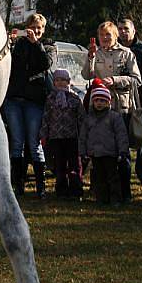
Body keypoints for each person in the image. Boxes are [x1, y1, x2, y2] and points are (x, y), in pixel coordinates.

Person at [82, 20, 141, 200]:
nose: (104, 38)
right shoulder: (95, 53)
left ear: (115, 35)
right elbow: (86, 75)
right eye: (101, 35)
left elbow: (136, 80)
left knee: (121, 151)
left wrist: (115, 80)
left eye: (108, 34)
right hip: (99, 109)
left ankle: (125, 193)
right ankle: (102, 193)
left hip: (120, 107)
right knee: (100, 151)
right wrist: (89, 58)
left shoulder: (127, 54)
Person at [4, 13, 54, 198]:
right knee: (17, 143)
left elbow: (46, 64)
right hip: (15, 99)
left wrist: (36, 44)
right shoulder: (19, 45)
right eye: (33, 27)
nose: (36, 31)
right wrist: (9, 44)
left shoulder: (47, 46)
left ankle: (41, 187)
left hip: (34, 101)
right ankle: (19, 185)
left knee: (34, 143)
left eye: (39, 28)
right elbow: (8, 65)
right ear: (27, 28)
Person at [79, 85, 130, 205]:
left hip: (111, 153)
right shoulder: (88, 119)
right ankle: (101, 199)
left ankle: (115, 199)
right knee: (99, 178)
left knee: (113, 178)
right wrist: (82, 152)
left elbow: (121, 135)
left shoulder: (114, 117)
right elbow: (83, 137)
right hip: (95, 154)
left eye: (102, 100)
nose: (99, 103)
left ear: (108, 102)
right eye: (96, 100)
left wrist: (122, 151)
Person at [117, 17, 142, 184]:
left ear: (133, 30)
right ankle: (120, 171)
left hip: (140, 100)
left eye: (126, 28)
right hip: (120, 101)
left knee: (141, 138)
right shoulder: (114, 48)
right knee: (121, 137)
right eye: (120, 29)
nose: (123, 32)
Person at [39, 68, 85, 199]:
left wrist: (83, 137)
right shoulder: (50, 99)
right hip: (55, 138)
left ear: (69, 82)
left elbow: (82, 119)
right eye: (57, 80)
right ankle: (61, 191)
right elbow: (46, 118)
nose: (60, 83)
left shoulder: (75, 98)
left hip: (72, 137)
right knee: (59, 166)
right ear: (53, 82)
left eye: (63, 80)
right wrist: (43, 135)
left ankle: (76, 191)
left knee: (75, 165)